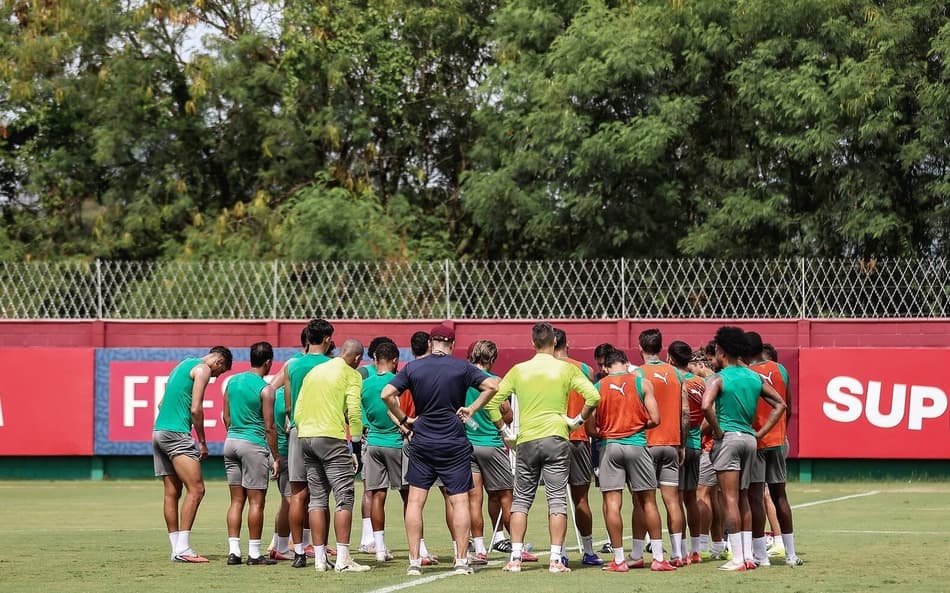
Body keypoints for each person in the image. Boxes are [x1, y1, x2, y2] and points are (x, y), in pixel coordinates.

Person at [382, 324, 500, 577]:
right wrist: (472, 409)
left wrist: (404, 419)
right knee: (459, 501)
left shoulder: (413, 367)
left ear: (430, 344)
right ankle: (460, 560)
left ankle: (414, 561)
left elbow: (387, 394)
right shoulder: (461, 367)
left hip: (422, 439)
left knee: (415, 501)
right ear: (452, 345)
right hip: (453, 441)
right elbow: (493, 386)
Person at [486, 322, 600, 574]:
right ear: (555, 343)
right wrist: (577, 421)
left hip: (526, 439)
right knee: (557, 500)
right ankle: (556, 559)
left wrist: (505, 432)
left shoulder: (518, 370)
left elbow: (491, 404)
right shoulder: (565, 369)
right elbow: (593, 396)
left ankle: (515, 557)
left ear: (533, 344)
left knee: (521, 500)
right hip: (557, 437)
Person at [701, 326, 786, 572]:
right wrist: (760, 433)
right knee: (746, 498)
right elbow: (780, 404)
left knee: (729, 499)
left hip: (729, 439)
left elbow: (707, 406)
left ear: (723, 351)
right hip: (750, 440)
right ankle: (748, 556)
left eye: (716, 349)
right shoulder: (753, 376)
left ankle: (738, 558)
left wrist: (717, 431)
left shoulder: (718, 378)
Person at [592, 349, 674, 572]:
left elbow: (590, 427)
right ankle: (658, 557)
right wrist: (636, 427)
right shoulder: (642, 383)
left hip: (610, 447)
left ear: (606, 367)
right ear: (626, 363)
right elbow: (655, 419)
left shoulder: (598, 387)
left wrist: (606, 432)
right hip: (637, 445)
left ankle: (618, 560)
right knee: (648, 500)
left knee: (612, 503)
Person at [294, 339, 370, 573]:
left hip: (305, 436)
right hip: (331, 438)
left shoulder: (315, 372)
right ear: (357, 359)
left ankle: (319, 559)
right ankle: (344, 559)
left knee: (317, 499)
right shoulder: (352, 375)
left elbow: (298, 409)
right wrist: (355, 446)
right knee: (344, 497)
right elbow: (355, 411)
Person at [152, 346, 232, 563]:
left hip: (158, 432)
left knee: (172, 492)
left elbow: (161, 403)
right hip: (176, 434)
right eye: (219, 372)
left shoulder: (181, 365)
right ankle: (183, 549)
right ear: (219, 362)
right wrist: (203, 442)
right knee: (196, 490)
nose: (215, 377)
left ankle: (176, 549)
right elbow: (196, 409)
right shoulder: (203, 369)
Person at [463, 340, 538, 564]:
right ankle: (517, 546)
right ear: (492, 358)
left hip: (467, 444)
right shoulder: (494, 381)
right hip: (492, 444)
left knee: (473, 499)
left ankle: (479, 549)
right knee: (507, 497)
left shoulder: (462, 378)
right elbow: (507, 413)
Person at [743, 332, 802, 566]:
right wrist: (780, 430)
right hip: (778, 440)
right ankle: (791, 554)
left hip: (756, 440)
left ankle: (761, 555)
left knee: (756, 497)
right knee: (780, 496)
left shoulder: (746, 374)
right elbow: (786, 405)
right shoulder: (781, 370)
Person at [282, 319, 335, 567]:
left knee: (297, 494)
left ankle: (299, 552)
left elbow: (290, 405)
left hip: (297, 431)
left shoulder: (292, 366)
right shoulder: (332, 365)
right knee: (321, 496)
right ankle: (321, 551)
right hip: (323, 430)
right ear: (326, 339)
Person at [222, 341, 280, 566]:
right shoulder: (266, 389)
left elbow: (225, 417)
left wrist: (234, 434)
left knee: (236, 500)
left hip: (231, 442)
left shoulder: (232, 382)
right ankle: (255, 554)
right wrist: (275, 456)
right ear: (268, 362)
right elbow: (269, 427)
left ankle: (233, 552)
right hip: (252, 445)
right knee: (256, 502)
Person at [637, 328, 687, 566]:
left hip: (646, 443)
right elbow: (684, 412)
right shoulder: (676, 374)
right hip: (671, 442)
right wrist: (682, 444)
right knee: (672, 500)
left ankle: (638, 553)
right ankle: (678, 553)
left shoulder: (637, 374)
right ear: (661, 347)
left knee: (643, 501)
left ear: (640, 348)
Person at [553, 328, 602, 567]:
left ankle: (559, 552)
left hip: (553, 437)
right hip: (579, 438)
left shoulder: (544, 368)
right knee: (581, 498)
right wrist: (588, 429)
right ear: (567, 343)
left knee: (556, 498)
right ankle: (589, 550)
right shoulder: (585, 369)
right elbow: (591, 402)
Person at [360, 341, 406, 562]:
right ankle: (419, 548)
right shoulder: (399, 382)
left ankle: (378, 549)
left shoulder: (365, 385)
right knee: (410, 496)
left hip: (373, 442)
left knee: (377, 494)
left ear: (375, 359)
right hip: (396, 443)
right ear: (395, 360)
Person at [267, 327, 307, 561]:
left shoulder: (278, 394)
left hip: (283, 449)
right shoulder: (305, 369)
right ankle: (290, 544)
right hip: (290, 448)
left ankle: (282, 542)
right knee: (296, 498)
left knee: (292, 497)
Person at [668, 340, 704, 564]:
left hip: (679, 443)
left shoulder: (673, 379)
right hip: (696, 443)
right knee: (692, 498)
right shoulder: (701, 381)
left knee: (676, 499)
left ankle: (679, 552)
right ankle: (696, 550)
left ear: (671, 358)